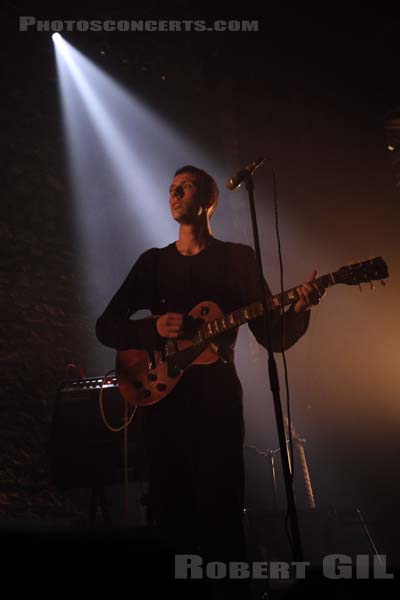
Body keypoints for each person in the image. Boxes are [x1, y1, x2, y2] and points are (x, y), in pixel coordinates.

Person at [96, 165, 324, 598]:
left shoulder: (236, 259)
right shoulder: (154, 263)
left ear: (209, 201)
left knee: (222, 514)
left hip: (216, 401)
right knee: (170, 514)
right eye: (170, 189)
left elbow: (272, 337)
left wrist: (301, 308)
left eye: (184, 187)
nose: (174, 194)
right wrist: (152, 330)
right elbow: (105, 326)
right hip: (162, 405)